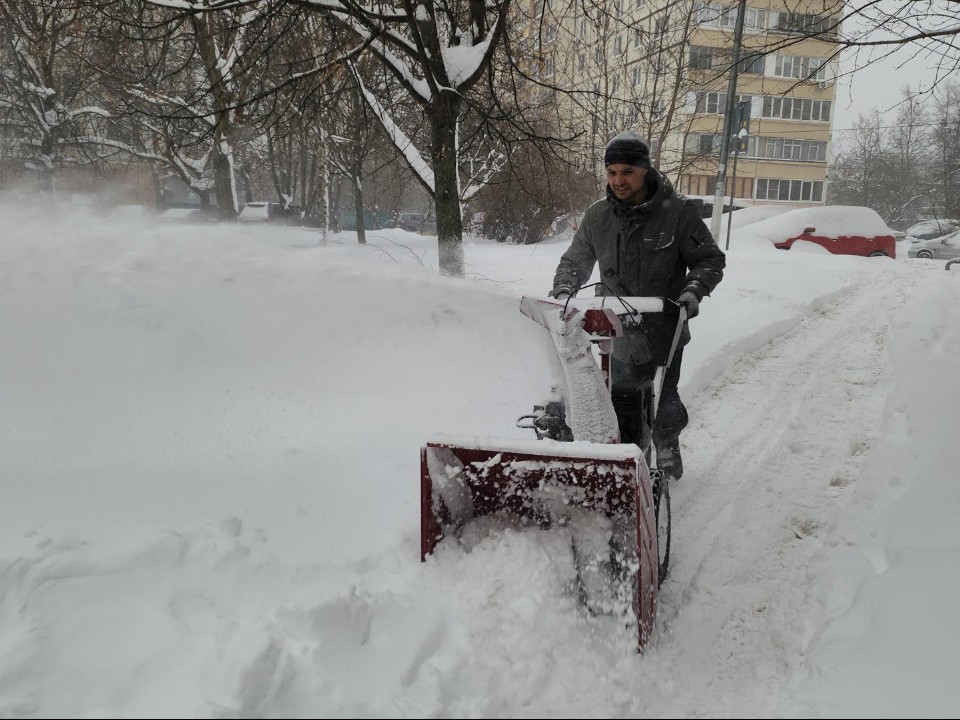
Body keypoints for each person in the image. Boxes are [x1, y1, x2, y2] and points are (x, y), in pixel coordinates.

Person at [550, 130, 725, 480]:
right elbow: (575, 260)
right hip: (614, 329)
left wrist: (693, 291)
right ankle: (629, 461)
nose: (619, 180)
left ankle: (667, 442)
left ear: (645, 170)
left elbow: (709, 260)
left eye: (627, 171)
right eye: (612, 172)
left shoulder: (677, 213)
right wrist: (564, 290)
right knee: (621, 398)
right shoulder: (598, 216)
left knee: (664, 398)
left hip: (664, 324)